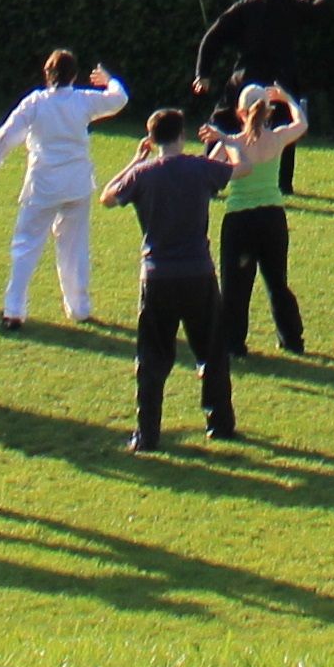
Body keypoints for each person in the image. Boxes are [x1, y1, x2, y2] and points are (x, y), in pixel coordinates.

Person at [103, 105, 239, 451]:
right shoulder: (200, 168)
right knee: (211, 350)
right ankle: (220, 423)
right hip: (198, 272)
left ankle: (147, 434)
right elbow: (241, 169)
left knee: (152, 358)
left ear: (151, 138)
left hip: (157, 275)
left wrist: (135, 161)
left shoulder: (143, 175)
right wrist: (226, 140)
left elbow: (107, 197)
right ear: (183, 134)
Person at [0, 48, 129, 328]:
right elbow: (119, 99)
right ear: (74, 75)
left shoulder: (36, 102)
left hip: (43, 185)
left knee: (25, 247)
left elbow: (8, 131)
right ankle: (79, 308)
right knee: (74, 248)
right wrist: (109, 79)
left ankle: (14, 310)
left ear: (48, 74)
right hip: (77, 184)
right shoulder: (83, 100)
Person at [216, 84, 311, 356]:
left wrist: (223, 140)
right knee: (277, 281)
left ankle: (233, 344)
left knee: (235, 286)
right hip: (272, 219)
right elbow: (301, 123)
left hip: (239, 221)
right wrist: (288, 97)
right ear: (268, 112)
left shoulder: (233, 142)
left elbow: (212, 171)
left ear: (240, 113)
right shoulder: (278, 137)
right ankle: (292, 339)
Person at [195, 0, 326, 139]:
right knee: (284, 136)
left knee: (222, 127)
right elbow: (319, 12)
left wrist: (203, 73)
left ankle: (218, 166)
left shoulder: (244, 8)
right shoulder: (291, 8)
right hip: (281, 82)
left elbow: (213, 37)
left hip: (247, 76)